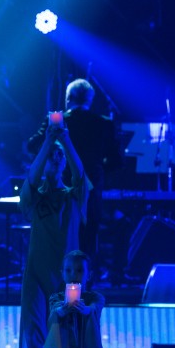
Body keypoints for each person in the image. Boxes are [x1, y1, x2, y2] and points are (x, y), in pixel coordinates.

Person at [19, 120, 89, 348]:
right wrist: (48, 142)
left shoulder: (73, 196)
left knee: (64, 338)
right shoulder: (35, 196)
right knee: (33, 335)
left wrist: (65, 141)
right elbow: (31, 178)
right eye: (51, 156)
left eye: (60, 156)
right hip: (37, 274)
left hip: (65, 277)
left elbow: (80, 174)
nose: (56, 159)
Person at [27, 79, 121, 266]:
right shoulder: (104, 123)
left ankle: (60, 277)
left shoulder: (58, 120)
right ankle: (85, 278)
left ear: (68, 98)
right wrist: (98, 171)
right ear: (90, 100)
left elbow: (33, 146)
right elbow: (117, 161)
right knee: (87, 238)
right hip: (91, 189)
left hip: (60, 188)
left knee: (61, 237)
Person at [44, 250, 108, 348]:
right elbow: (55, 312)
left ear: (88, 275)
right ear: (62, 274)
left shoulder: (95, 298)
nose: (73, 274)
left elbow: (94, 308)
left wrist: (86, 310)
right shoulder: (57, 298)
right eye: (68, 270)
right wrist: (62, 310)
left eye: (79, 270)